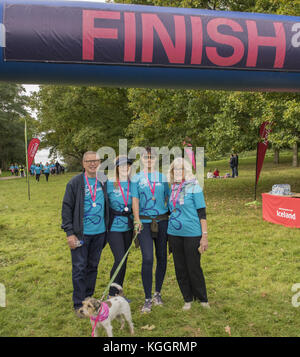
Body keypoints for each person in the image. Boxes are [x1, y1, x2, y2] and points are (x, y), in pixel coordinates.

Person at [61, 151, 110, 317]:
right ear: (83, 164)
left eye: (95, 161)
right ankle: (78, 304)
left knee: (93, 267)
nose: (92, 164)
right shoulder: (75, 182)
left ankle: (89, 301)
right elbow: (66, 208)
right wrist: (69, 233)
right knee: (79, 268)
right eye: (89, 161)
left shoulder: (103, 181)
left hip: (100, 233)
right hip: (81, 235)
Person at [167, 158, 209, 311]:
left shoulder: (194, 187)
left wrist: (204, 236)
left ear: (186, 171)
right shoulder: (171, 188)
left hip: (192, 233)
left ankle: (202, 298)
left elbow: (202, 214)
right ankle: (187, 298)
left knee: (193, 267)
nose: (178, 172)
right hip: (174, 233)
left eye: (181, 169)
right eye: (175, 170)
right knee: (180, 267)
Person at [132, 147, 169, 313]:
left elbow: (168, 197)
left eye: (151, 157)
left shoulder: (162, 177)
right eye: (145, 157)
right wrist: (137, 220)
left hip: (162, 221)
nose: (149, 160)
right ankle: (147, 298)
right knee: (147, 258)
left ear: (156, 159)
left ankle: (157, 293)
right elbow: (135, 201)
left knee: (161, 257)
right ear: (141, 159)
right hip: (145, 223)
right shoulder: (136, 178)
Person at [106, 156, 134, 298]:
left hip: (128, 227)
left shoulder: (132, 183)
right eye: (122, 165)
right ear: (116, 168)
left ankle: (118, 292)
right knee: (119, 259)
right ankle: (111, 294)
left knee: (124, 261)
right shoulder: (109, 184)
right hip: (114, 227)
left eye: (128, 165)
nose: (125, 168)